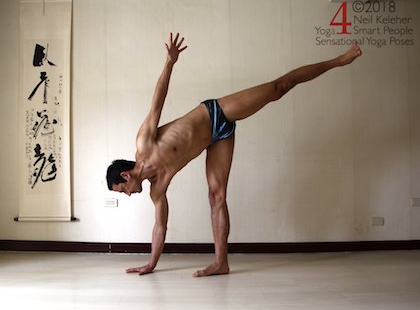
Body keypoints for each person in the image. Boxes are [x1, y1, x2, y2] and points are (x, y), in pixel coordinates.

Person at [106, 33, 362, 277]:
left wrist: (169, 63)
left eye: (123, 189)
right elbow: (160, 226)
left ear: (126, 174)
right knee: (216, 196)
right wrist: (151, 264)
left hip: (216, 113)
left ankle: (341, 59)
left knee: (279, 87)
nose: (128, 194)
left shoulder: (144, 143)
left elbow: (156, 103)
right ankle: (221, 263)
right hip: (218, 140)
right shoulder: (156, 189)